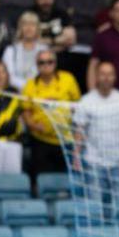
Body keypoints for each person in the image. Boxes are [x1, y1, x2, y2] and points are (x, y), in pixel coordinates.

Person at [21, 49, 80, 189]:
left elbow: (77, 105)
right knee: (42, 181)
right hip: (40, 141)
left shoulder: (68, 79)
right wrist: (33, 125)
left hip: (65, 141)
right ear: (37, 65)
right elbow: (25, 110)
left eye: (50, 61)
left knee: (64, 182)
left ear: (55, 63)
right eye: (42, 62)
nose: (46, 65)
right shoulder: (30, 85)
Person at [72, 62, 119, 219]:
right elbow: (79, 130)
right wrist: (76, 155)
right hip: (93, 161)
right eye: (103, 74)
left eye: (110, 74)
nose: (106, 78)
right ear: (96, 76)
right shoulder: (86, 100)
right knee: (95, 208)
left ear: (114, 77)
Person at [2, 12, 47, 92]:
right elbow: (8, 76)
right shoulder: (10, 50)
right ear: (20, 28)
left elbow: (47, 75)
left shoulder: (45, 50)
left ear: (37, 29)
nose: (29, 28)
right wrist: (29, 87)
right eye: (25, 24)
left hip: (41, 94)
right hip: (16, 94)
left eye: (32, 24)